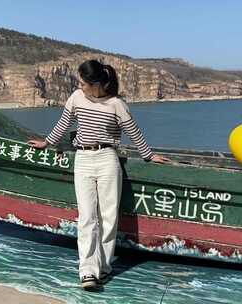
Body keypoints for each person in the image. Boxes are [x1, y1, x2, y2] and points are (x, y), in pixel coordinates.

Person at [28, 60, 169, 291]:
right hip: (83, 159)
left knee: (108, 217)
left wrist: (149, 156)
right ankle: (87, 271)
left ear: (97, 84)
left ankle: (102, 268)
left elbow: (134, 132)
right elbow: (63, 123)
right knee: (86, 217)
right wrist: (47, 142)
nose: (80, 86)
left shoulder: (117, 104)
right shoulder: (76, 98)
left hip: (107, 159)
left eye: (83, 83)